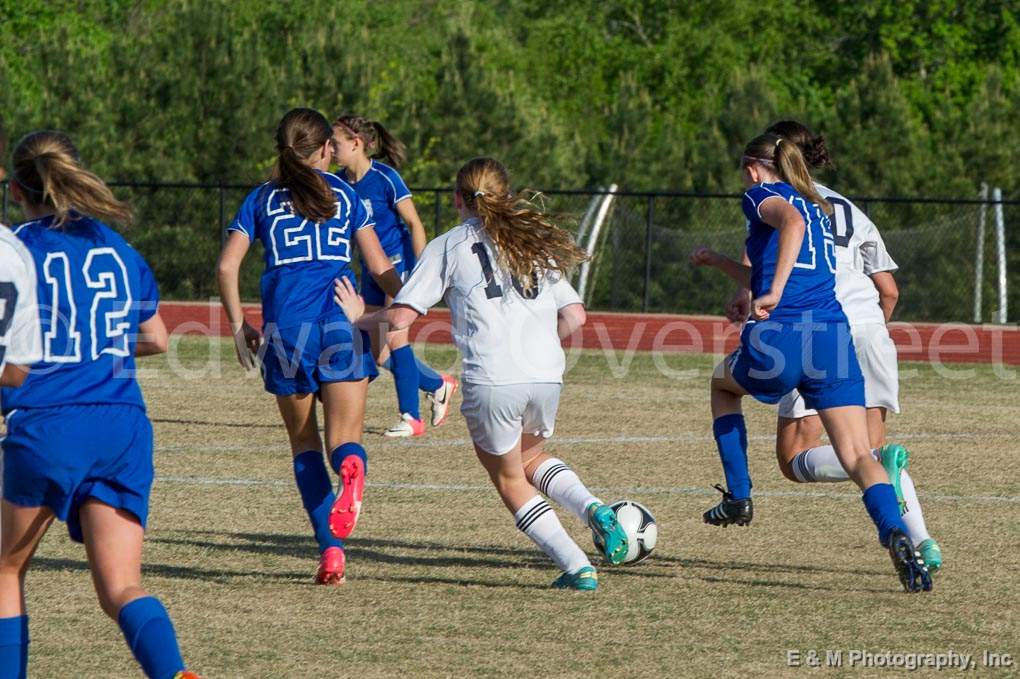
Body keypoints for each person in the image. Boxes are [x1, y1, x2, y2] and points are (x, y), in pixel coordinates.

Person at [333, 157, 629, 590]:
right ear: (506, 195)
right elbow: (577, 315)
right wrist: (542, 343)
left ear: (457, 199)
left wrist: (360, 316)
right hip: (547, 373)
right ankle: (593, 508)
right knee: (529, 458)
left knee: (509, 477)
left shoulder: (450, 245)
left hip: (494, 377)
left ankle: (576, 566)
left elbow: (399, 319)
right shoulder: (533, 242)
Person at [689, 133, 931, 593]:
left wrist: (774, 293)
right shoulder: (820, 207)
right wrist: (719, 262)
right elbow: (785, 255)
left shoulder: (765, 195)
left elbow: (790, 225)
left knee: (722, 387)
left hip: (783, 337)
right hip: (832, 339)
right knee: (860, 455)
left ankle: (739, 496)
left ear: (752, 168)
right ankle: (895, 533)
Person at [0, 131, 198, 678]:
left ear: (18, 189)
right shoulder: (119, 248)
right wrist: (97, 343)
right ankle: (174, 673)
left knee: (5, 569)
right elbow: (156, 338)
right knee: (121, 586)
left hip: (49, 423)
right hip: (122, 426)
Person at [216, 108, 401, 585]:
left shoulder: (260, 199)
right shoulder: (346, 193)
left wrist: (240, 328)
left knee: (304, 445)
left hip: (285, 333)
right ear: (325, 150)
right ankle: (353, 467)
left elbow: (225, 267)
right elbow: (380, 265)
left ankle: (331, 554)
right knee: (343, 441)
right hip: (341, 324)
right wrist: (404, 305)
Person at [332, 115, 457, 437]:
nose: (331, 149)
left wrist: (422, 271)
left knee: (394, 335)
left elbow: (414, 224)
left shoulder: (386, 178)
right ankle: (436, 383)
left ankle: (411, 418)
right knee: (376, 349)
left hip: (397, 266)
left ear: (356, 143)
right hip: (369, 270)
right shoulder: (339, 182)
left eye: (336, 143)